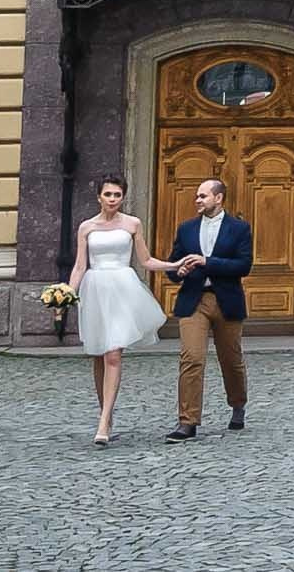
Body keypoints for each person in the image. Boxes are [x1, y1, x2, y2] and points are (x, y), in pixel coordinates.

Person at [65, 173, 175, 447]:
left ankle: (103, 421)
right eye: (108, 194)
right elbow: (80, 266)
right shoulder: (86, 227)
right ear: (99, 196)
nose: (113, 199)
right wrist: (66, 293)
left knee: (113, 353)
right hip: (96, 288)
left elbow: (146, 260)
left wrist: (174, 265)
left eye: (117, 195)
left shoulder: (132, 224)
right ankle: (107, 412)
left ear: (123, 197)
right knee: (99, 353)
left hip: (123, 288)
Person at [165, 177, 254, 441]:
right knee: (191, 358)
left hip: (226, 300)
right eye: (197, 196)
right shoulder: (187, 229)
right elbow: (173, 266)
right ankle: (187, 422)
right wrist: (178, 271)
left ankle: (238, 404)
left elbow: (243, 266)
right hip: (194, 301)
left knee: (231, 359)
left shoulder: (239, 229)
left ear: (219, 198)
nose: (198, 200)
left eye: (203, 196)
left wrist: (207, 262)